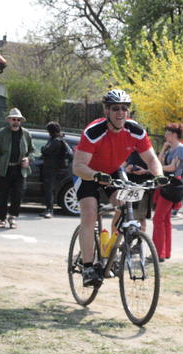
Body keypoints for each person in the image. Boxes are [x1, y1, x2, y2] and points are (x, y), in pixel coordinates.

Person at [72, 89, 164, 287]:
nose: (120, 112)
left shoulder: (135, 131)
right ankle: (88, 267)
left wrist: (159, 176)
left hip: (113, 171)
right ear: (106, 110)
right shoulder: (94, 132)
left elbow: (151, 159)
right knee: (90, 213)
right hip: (87, 172)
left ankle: (110, 252)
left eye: (124, 108)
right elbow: (77, 166)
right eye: (115, 108)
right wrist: (96, 176)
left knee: (124, 205)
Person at [0, 108, 35, 229]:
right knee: (2, 195)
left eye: (18, 120)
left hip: (19, 170)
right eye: (14, 119)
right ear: (9, 120)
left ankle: (12, 217)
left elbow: (32, 150)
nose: (16, 122)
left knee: (17, 195)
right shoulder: (1, 133)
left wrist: (28, 159)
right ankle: (2, 219)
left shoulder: (26, 134)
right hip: (4, 168)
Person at [153, 122, 183, 261]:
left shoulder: (180, 149)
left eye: (167, 132)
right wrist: (163, 148)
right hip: (166, 184)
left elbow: (172, 167)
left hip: (172, 186)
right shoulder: (170, 148)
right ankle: (165, 252)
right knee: (165, 219)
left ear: (173, 134)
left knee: (158, 219)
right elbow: (159, 161)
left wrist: (158, 167)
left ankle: (158, 253)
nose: (165, 135)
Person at [39, 121, 73, 218]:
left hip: (51, 169)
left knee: (49, 190)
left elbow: (45, 150)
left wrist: (42, 149)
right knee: (49, 189)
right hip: (53, 169)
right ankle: (48, 209)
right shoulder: (58, 139)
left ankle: (49, 210)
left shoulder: (56, 141)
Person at [124, 150, 154, 232]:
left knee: (141, 217)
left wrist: (145, 171)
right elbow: (121, 168)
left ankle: (140, 237)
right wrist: (126, 169)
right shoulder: (128, 152)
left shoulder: (148, 152)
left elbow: (155, 169)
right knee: (127, 216)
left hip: (143, 188)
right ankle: (128, 237)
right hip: (130, 188)